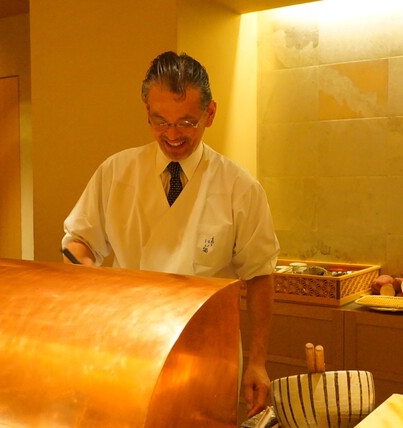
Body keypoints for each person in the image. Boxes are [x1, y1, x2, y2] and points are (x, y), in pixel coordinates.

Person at [61, 51, 280, 418]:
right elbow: (78, 241)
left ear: (210, 114)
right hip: (128, 346)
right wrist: (91, 278)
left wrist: (258, 361)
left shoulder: (239, 188)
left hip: (208, 356)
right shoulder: (116, 172)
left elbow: (259, 276)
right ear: (147, 112)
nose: (172, 135)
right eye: (160, 122)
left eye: (186, 123)